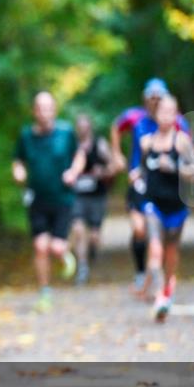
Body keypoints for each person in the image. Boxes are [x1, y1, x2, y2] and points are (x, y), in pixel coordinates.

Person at [110, 78, 190, 295]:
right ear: (145, 97)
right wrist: (118, 156)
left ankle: (159, 283)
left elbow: (190, 161)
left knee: (168, 244)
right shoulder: (135, 117)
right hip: (142, 184)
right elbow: (116, 127)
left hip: (171, 191)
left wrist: (177, 169)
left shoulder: (179, 124)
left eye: (159, 96)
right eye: (151, 96)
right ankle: (143, 274)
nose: (155, 100)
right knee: (141, 230)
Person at [131, 94, 194, 322]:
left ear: (177, 114)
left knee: (171, 253)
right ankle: (160, 296)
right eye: (162, 112)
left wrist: (175, 167)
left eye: (171, 112)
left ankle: (167, 289)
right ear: (154, 113)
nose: (166, 117)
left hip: (176, 207)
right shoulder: (146, 142)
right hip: (153, 204)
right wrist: (136, 176)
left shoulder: (182, 141)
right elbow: (142, 170)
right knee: (155, 249)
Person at [13, 92, 86, 309]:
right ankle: (44, 289)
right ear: (34, 111)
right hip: (37, 199)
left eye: (48, 108)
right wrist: (18, 172)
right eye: (40, 108)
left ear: (54, 110)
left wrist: (73, 171)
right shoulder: (26, 136)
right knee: (40, 246)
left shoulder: (65, 133)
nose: (44, 113)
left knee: (55, 247)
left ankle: (65, 254)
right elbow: (18, 160)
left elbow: (79, 155)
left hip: (62, 198)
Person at [69, 114, 114, 285]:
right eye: (79, 126)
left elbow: (112, 166)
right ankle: (82, 266)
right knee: (78, 229)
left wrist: (102, 172)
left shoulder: (100, 145)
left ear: (90, 127)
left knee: (94, 235)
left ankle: (92, 250)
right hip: (77, 195)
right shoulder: (71, 146)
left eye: (85, 125)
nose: (82, 129)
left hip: (97, 195)